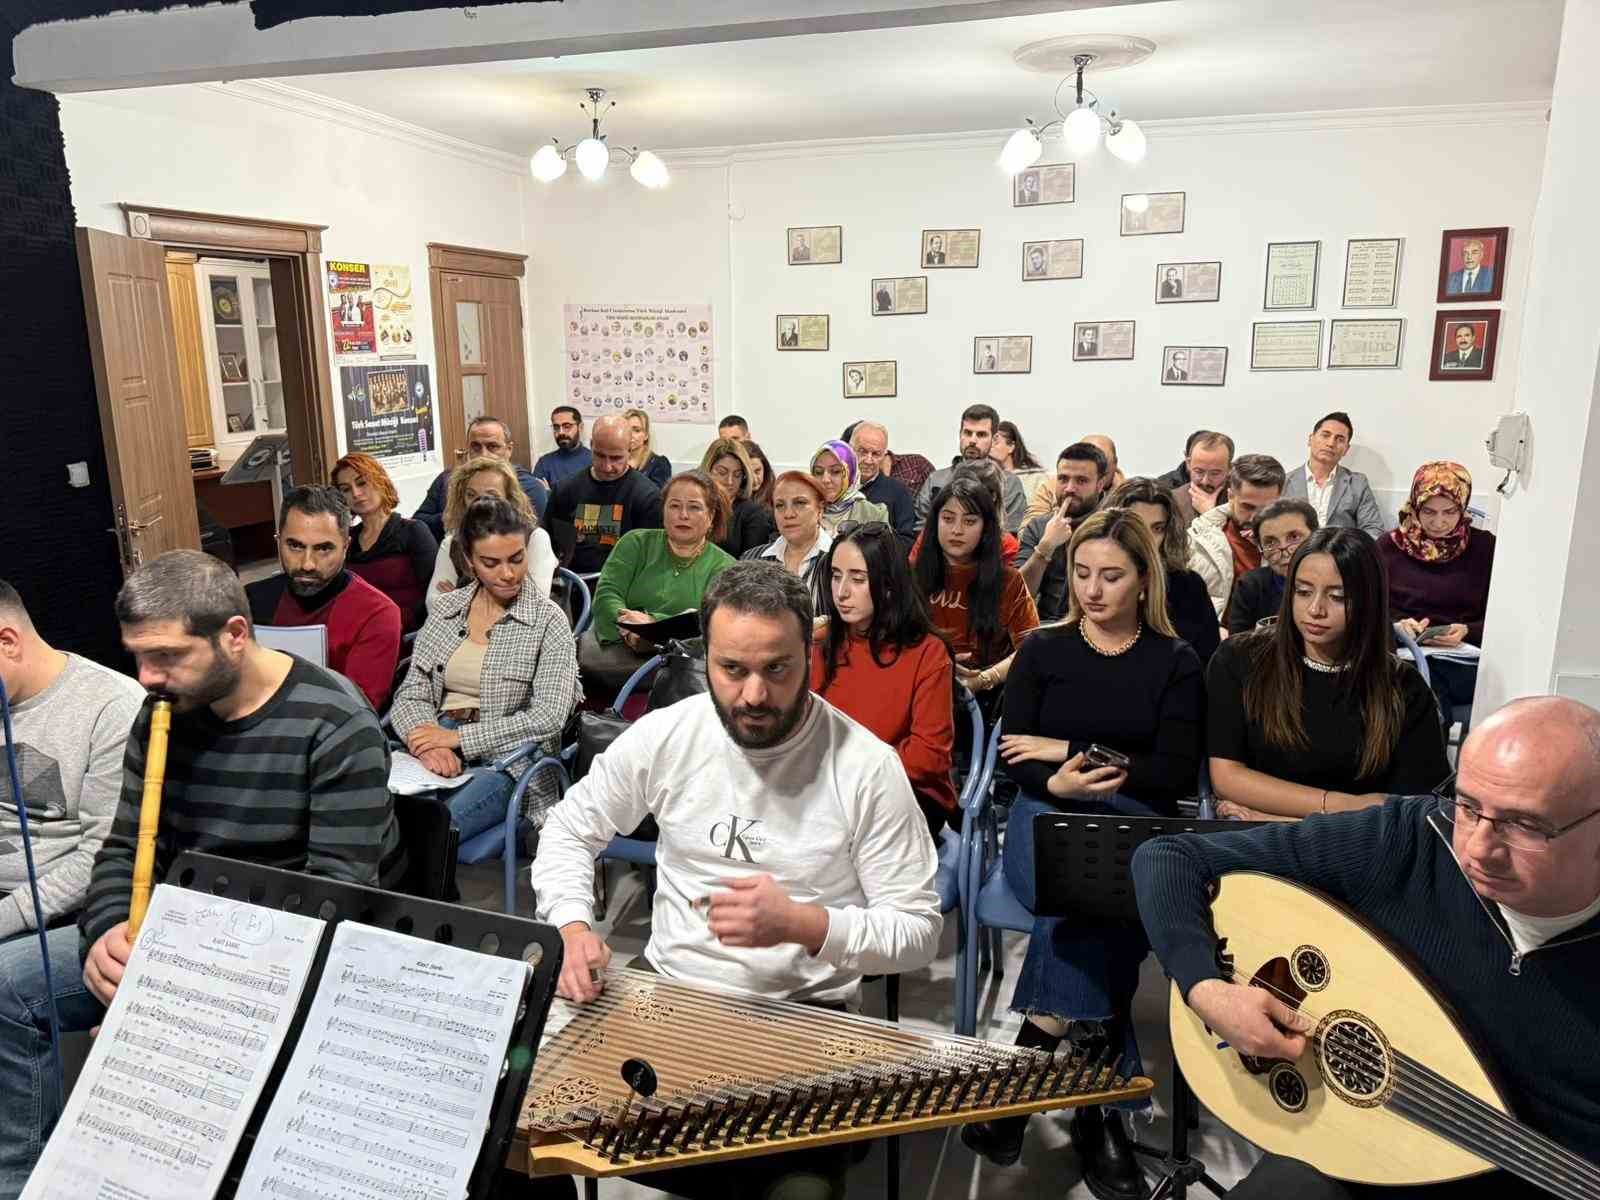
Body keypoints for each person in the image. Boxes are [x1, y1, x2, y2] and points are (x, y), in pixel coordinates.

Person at [533, 563, 940, 1200]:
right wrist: (572, 926)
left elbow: (917, 931)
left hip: (807, 1021)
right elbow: (567, 829)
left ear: (809, 654)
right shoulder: (669, 734)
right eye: (731, 670)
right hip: (672, 997)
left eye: (776, 669)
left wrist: (807, 925)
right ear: (707, 656)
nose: (752, 695)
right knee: (526, 1140)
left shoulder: (865, 767)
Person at [3, 553, 405, 1194]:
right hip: (174, 939)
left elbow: (337, 898)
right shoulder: (161, 709)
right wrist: (105, 931)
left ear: (235, 636)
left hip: (279, 960)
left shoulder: (336, 722)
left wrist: (181, 988)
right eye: (137, 655)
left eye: (166, 656)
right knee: (7, 986)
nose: (146, 676)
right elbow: (122, 847)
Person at [1133, 695, 1600, 1200]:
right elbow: (1171, 857)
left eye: (1523, 824)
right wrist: (1206, 988)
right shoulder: (1412, 839)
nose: (1479, 848)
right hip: (1366, 1153)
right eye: (1468, 807)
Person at [962, 509, 1204, 1196]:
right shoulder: (1043, 647)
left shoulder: (1174, 660)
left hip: (1129, 821)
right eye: (1083, 574)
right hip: (1046, 813)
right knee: (1086, 900)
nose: (1094, 590)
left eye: (1112, 576)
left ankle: (1027, 1064)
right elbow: (1015, 754)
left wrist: (1067, 752)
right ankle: (1102, 1114)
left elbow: (1175, 770)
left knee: (1088, 906)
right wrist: (1055, 777)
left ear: (1142, 581)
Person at [0, 580, 142, 1191]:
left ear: (6, 641)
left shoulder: (111, 706)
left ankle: (19, 1177)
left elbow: (99, 860)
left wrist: (3, 916)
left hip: (67, 914)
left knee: (5, 984)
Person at [1206, 528, 1449, 820]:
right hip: (1256, 841)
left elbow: (1411, 813)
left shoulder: (1402, 687)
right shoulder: (1240, 658)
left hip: (1355, 851)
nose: (1315, 609)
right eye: (1303, 591)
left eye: (1337, 597)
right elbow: (1227, 777)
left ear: (1367, 600)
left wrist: (1276, 818)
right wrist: (1343, 805)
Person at [390, 498, 581, 842]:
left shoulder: (547, 621)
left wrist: (459, 739)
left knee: (426, 833)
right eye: (491, 563)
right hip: (436, 741)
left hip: (511, 762)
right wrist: (428, 743)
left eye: (517, 559)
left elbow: (549, 717)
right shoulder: (447, 610)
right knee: (376, 814)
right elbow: (412, 691)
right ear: (469, 561)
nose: (507, 573)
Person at [812, 524, 956, 838]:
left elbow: (929, 756)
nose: (842, 592)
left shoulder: (927, 652)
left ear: (888, 586)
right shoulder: (820, 643)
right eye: (836, 576)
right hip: (828, 788)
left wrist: (851, 773)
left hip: (906, 790)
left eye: (858, 579)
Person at [245, 486, 402, 711]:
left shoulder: (377, 613)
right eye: (295, 546)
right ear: (278, 541)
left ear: (346, 546)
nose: (307, 564)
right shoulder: (252, 599)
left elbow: (358, 711)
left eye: (323, 549)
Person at [580, 471, 735, 694]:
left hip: (686, 673)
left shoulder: (726, 567)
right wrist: (629, 627)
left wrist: (652, 626)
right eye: (674, 506)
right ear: (663, 511)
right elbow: (606, 595)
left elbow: (710, 624)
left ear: (710, 516)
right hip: (616, 661)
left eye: (694, 507)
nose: (683, 515)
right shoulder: (635, 542)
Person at [1380, 461, 1497, 721]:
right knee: (1413, 682)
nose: (1439, 522)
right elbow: (1370, 605)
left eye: (1450, 512)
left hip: (1461, 659)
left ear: (1463, 507)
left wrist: (1468, 630)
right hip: (1401, 653)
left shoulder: (1485, 548)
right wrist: (1398, 625)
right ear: (1414, 506)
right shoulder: (1388, 548)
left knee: (1423, 685)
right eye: (1429, 512)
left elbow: (1502, 613)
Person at [915, 476, 1038, 712]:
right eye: (948, 519)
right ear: (935, 523)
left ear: (985, 529)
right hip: (919, 686)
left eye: (969, 521)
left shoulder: (1009, 581)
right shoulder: (910, 575)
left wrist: (983, 680)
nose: (957, 530)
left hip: (983, 698)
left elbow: (1031, 651)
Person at [1107, 478, 1221, 664]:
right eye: (1137, 526)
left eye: (1157, 528)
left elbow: (1208, 661)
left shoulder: (1188, 585)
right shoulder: (1092, 577)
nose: (1147, 538)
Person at [428, 457, 557, 615]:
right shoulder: (452, 543)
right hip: (463, 635)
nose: (479, 503)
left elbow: (533, 606)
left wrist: (459, 599)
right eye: (471, 495)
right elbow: (434, 604)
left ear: (509, 499)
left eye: (491, 495)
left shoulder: (535, 539)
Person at [545, 413, 663, 575]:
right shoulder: (565, 491)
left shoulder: (648, 497)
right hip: (575, 587)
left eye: (616, 458)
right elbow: (548, 548)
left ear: (630, 450)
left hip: (625, 591)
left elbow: (652, 561)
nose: (607, 467)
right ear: (592, 446)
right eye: (600, 456)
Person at [333, 452, 438, 633]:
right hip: (358, 633)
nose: (356, 494)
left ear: (380, 482)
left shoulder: (413, 531)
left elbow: (434, 596)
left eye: (361, 483)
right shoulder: (345, 539)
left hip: (408, 635)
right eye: (346, 489)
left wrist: (391, 622)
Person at [1017, 442, 1111, 620]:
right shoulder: (1039, 526)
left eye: (1081, 481)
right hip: (1048, 629)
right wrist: (1045, 548)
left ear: (1100, 485)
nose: (1069, 488)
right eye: (1063, 479)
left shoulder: (1116, 525)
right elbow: (1017, 598)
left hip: (1100, 626)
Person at [412, 415, 546, 539]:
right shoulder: (447, 479)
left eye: (492, 446)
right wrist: (452, 516)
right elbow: (419, 524)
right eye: (476, 447)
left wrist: (466, 515)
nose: (483, 454)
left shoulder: (530, 487)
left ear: (509, 449)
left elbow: (521, 532)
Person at [1189, 453, 1286, 618]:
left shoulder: (1294, 544)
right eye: (1248, 507)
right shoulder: (1196, 540)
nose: (1256, 518)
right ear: (1230, 496)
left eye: (1265, 509)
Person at [914, 404, 1028, 533]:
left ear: (994, 439)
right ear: (960, 434)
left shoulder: (1008, 483)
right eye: (967, 433)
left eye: (981, 434)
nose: (972, 440)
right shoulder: (935, 480)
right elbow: (921, 529)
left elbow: (1009, 534)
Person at [1284, 411, 1385, 538]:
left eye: (1340, 439)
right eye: (1325, 435)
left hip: (1342, 555)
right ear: (1310, 439)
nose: (1331, 443)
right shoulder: (1285, 482)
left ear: (1346, 449)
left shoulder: (1357, 483)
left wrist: (1353, 553)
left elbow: (1373, 529)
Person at [1226, 498, 1319, 635]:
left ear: (1316, 536)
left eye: (1294, 537)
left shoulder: (1342, 579)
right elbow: (1237, 647)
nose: (1283, 550)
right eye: (1270, 543)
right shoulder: (1251, 586)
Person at [744, 471, 832, 585]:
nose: (788, 514)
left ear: (820, 510)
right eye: (780, 505)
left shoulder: (838, 559)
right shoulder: (751, 560)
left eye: (799, 503)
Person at [702, 436, 777, 558]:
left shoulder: (754, 513)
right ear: (707, 469)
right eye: (722, 473)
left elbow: (750, 567)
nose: (730, 481)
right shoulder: (693, 503)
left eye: (737, 475)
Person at [849, 420, 917, 545]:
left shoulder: (898, 492)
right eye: (862, 452)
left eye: (876, 454)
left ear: (884, 455)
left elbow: (908, 541)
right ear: (850, 449)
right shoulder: (834, 486)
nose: (868, 460)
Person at [810, 440, 888, 533]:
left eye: (836, 471)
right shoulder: (804, 510)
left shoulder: (874, 515)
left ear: (851, 474)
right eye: (818, 472)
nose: (825, 480)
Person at [1167, 430, 1234, 526]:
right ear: (1188, 463)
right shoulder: (1172, 502)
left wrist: (1210, 513)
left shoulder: (1241, 502)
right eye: (1199, 472)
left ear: (1229, 469)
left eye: (1215, 473)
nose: (1205, 481)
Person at [991, 419, 1051, 521]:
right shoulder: (986, 478)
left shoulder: (1037, 478)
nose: (990, 447)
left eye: (995, 442)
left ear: (1011, 446)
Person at [534, 406, 593, 490]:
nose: (561, 432)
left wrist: (550, 494)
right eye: (556, 427)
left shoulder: (594, 460)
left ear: (580, 427)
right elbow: (537, 499)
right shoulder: (544, 463)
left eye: (567, 426)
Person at [623, 406, 673, 489]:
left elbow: (657, 497)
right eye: (626, 429)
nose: (630, 435)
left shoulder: (659, 464)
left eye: (637, 430)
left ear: (646, 435)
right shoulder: (614, 461)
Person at [741, 439, 777, 512]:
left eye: (757, 471)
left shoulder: (776, 494)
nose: (754, 479)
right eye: (748, 473)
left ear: (765, 468)